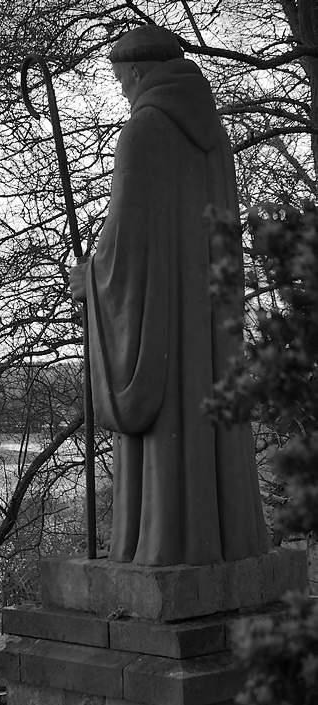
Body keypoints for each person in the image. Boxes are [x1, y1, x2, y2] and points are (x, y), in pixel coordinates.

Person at [70, 25, 268, 566]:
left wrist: (90, 277)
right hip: (209, 323)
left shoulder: (144, 131)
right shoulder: (214, 138)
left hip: (162, 320)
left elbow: (127, 242)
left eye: (118, 79)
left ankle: (160, 547)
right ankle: (222, 542)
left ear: (135, 72)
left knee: (166, 423)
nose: (122, 89)